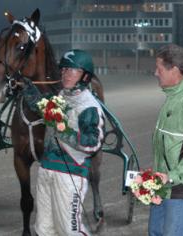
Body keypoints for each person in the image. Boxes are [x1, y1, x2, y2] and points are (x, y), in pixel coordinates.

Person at [30, 49, 105, 236]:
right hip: (46, 169)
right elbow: (38, 105)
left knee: (70, 231)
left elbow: (92, 144)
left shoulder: (89, 107)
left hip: (70, 173)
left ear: (85, 76)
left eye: (72, 70)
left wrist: (65, 131)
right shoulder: (60, 97)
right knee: (43, 229)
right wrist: (25, 88)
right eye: (63, 70)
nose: (65, 74)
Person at [148, 44, 183, 236]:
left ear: (174, 70)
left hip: (180, 188)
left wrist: (172, 176)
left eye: (160, 68)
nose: (156, 73)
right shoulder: (171, 99)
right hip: (163, 185)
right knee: (155, 232)